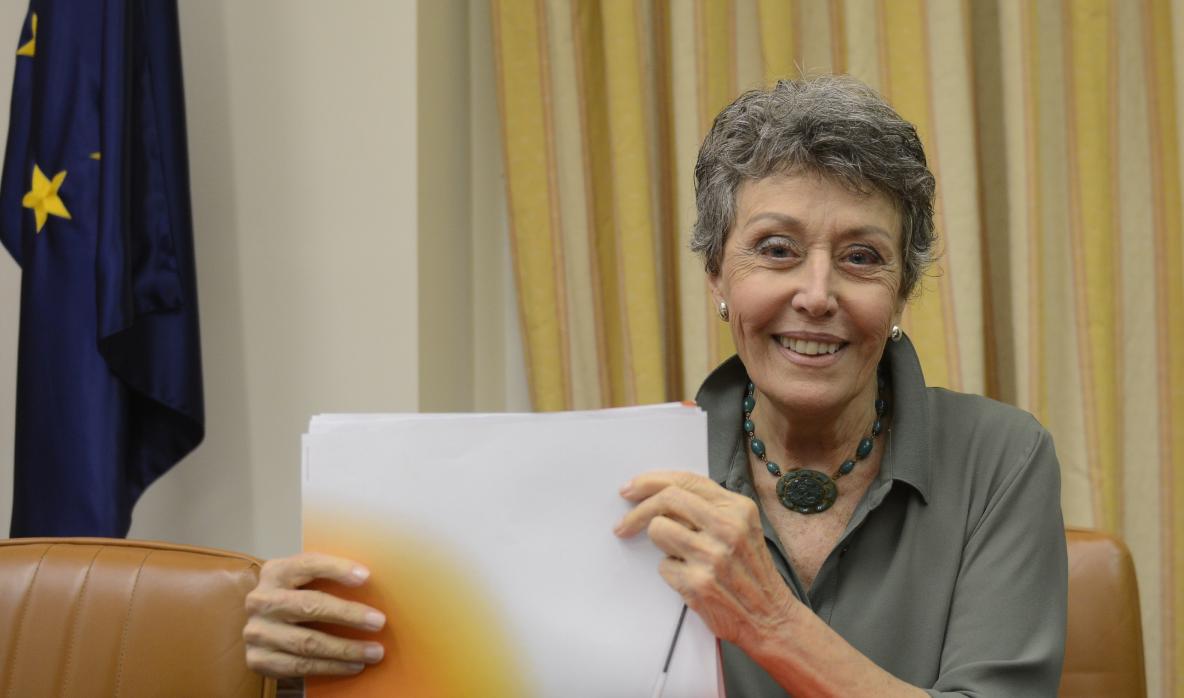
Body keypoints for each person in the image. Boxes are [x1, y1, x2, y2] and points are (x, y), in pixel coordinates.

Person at [243, 75, 1067, 696]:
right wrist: (316, 655)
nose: (817, 293)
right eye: (776, 250)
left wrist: (772, 622)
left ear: (899, 297)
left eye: (861, 257)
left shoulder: (1001, 458)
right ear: (718, 274)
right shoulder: (624, 471)